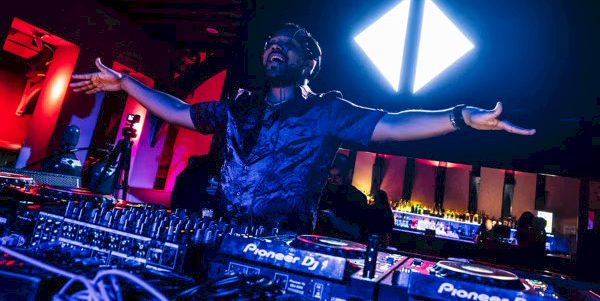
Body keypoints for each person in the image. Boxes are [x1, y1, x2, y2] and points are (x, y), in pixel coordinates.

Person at [70, 22, 535, 234]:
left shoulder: (327, 111)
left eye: (289, 45)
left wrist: (461, 116)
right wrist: (125, 83)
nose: (276, 47)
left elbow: (393, 126)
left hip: (285, 244)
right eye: (271, 42)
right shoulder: (240, 107)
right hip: (219, 237)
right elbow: (178, 111)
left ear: (310, 63)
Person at [315, 153, 368, 241]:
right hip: (319, 239)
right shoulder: (320, 192)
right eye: (330, 176)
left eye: (337, 176)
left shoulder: (357, 197)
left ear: (345, 176)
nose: (332, 179)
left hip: (344, 241)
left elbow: (358, 232)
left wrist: (333, 218)